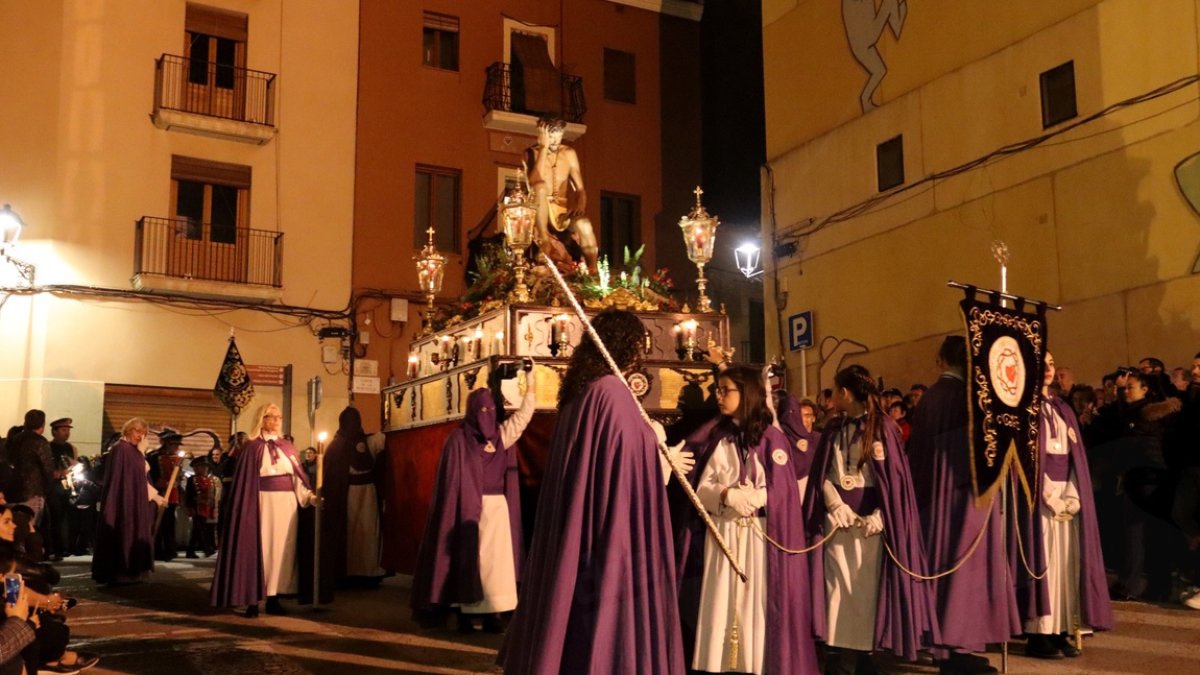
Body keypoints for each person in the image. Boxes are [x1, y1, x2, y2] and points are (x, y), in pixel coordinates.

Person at [500, 309, 686, 674]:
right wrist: (662, 458)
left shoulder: (581, 391)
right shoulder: (612, 393)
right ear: (625, 347)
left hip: (581, 521)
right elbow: (626, 461)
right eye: (637, 345)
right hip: (607, 525)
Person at [674, 365, 818, 674]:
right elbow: (703, 487)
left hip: (758, 535)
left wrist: (755, 498)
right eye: (719, 389)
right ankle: (721, 664)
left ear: (748, 393)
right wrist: (726, 495)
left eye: (726, 390)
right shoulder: (720, 436)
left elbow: (784, 490)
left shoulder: (772, 438)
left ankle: (756, 664)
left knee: (756, 604)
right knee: (722, 603)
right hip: (724, 533)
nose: (719, 395)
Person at [806, 365, 939, 674]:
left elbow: (894, 482)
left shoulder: (885, 429)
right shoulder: (832, 429)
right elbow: (822, 475)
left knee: (865, 591)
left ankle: (866, 656)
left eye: (836, 390)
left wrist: (882, 515)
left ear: (844, 392)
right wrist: (833, 503)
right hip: (837, 524)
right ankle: (836, 656)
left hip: (870, 526)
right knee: (835, 588)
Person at [905, 336, 1014, 675]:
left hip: (934, 496)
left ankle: (951, 648)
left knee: (947, 569)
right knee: (965, 573)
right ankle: (955, 650)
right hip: (965, 496)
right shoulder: (969, 398)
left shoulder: (930, 399)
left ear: (941, 360)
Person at [412, 371, 537, 633]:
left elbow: (524, 416)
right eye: (482, 409)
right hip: (465, 510)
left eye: (490, 409)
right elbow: (450, 485)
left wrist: (532, 383)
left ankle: (493, 613)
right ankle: (467, 614)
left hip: (497, 510)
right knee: (470, 559)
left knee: (495, 564)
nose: (486, 414)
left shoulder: (502, 435)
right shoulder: (458, 440)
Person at [1017, 352, 1113, 658]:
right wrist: (1050, 497)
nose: (1048, 369)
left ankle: (1059, 629)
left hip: (1066, 497)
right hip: (1039, 499)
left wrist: (1072, 494)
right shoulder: (1023, 410)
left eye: (1051, 363)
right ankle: (1037, 632)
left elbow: (1075, 457)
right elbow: (1026, 460)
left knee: (1065, 565)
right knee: (1042, 564)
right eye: (1040, 363)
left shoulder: (1062, 408)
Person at [211, 404, 319, 617]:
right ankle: (253, 600)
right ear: (262, 419)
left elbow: (297, 479)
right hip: (261, 504)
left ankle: (274, 598)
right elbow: (245, 483)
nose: (277, 421)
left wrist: (311, 498)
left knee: (282, 551)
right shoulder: (252, 447)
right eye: (272, 417)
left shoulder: (287, 447)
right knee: (259, 549)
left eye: (279, 417)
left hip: (286, 506)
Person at [91, 418, 162, 585]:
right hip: (123, 501)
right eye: (137, 431)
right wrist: (141, 453)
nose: (140, 436)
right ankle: (121, 571)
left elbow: (140, 477)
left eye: (143, 433)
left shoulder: (131, 449)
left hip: (134, 499)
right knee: (123, 532)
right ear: (128, 430)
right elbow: (130, 474)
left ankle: (134, 570)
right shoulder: (121, 449)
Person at [525, 117, 598, 272]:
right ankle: (545, 241)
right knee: (540, 187)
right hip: (539, 210)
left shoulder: (569, 153)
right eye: (551, 136)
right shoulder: (530, 154)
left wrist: (580, 202)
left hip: (561, 214)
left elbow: (580, 189)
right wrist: (543, 149)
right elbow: (533, 181)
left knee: (584, 224)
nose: (556, 141)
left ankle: (593, 268)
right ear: (542, 134)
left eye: (559, 136)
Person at [323, 407, 386, 587]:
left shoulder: (370, 441)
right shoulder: (336, 446)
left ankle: (369, 572)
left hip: (368, 494)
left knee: (368, 533)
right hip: (347, 494)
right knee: (351, 533)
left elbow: (385, 440)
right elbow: (331, 475)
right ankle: (349, 573)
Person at [8, 411, 56, 523]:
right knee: (30, 528)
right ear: (42, 424)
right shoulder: (40, 442)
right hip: (33, 493)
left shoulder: (16, 439)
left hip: (13, 492)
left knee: (16, 527)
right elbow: (48, 469)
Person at [148, 430, 184, 562]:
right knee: (158, 522)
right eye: (174, 445)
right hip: (158, 493)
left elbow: (178, 476)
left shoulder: (177, 458)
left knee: (169, 523)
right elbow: (150, 475)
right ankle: (157, 550)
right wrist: (160, 483)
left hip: (172, 495)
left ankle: (169, 550)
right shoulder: (153, 456)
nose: (176, 448)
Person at [46, 419, 76, 562]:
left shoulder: (69, 447)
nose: (67, 433)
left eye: (68, 430)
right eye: (63, 430)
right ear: (54, 431)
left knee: (66, 517)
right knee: (55, 517)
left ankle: (65, 547)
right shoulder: (48, 446)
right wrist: (59, 472)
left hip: (66, 486)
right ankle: (54, 549)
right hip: (54, 487)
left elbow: (72, 463)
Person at [184, 457, 218, 558]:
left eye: (206, 467)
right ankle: (206, 549)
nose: (205, 469)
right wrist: (190, 508)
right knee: (199, 529)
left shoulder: (210, 480)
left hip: (206, 508)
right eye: (202, 467)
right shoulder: (192, 479)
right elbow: (189, 495)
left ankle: (191, 550)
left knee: (198, 530)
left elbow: (212, 494)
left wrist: (212, 507)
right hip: (196, 507)